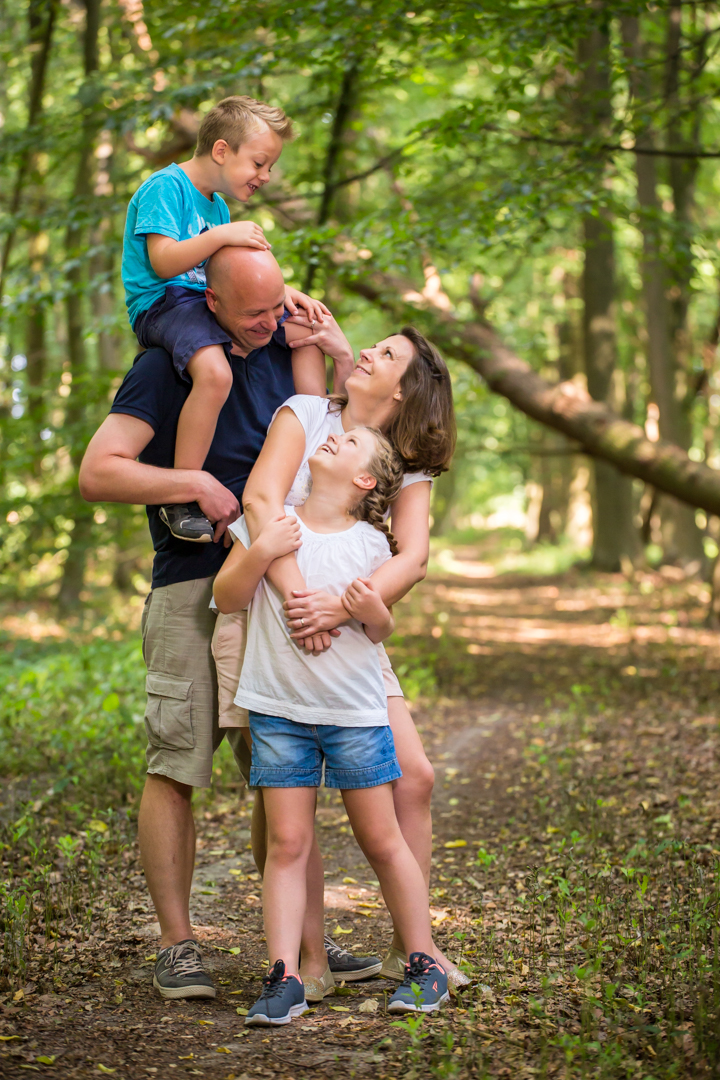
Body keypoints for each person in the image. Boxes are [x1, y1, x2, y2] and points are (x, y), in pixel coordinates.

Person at [79, 246, 360, 1001]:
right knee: (177, 762)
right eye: (254, 313)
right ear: (208, 302)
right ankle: (177, 945)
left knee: (282, 771)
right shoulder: (167, 367)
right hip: (189, 586)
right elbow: (97, 471)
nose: (271, 323)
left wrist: (334, 348)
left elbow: (356, 438)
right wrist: (191, 480)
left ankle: (300, 939)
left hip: (273, 585)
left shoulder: (282, 352)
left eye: (278, 307)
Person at [212, 322, 464, 991]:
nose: (365, 354)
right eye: (371, 346)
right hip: (277, 613)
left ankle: (414, 950)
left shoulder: (398, 463)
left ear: (407, 390)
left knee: (414, 776)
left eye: (385, 354)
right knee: (288, 803)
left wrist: (342, 609)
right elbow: (262, 500)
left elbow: (412, 557)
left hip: (348, 629)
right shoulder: (309, 415)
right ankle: (309, 962)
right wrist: (303, 603)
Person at [121, 95, 328, 543]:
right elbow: (163, 262)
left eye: (269, 166)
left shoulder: (216, 205)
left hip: (201, 299)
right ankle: (181, 496)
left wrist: (286, 296)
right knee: (215, 373)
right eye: (259, 163)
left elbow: (227, 278)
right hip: (163, 303)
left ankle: (314, 456)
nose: (265, 176)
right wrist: (222, 235)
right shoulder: (166, 188)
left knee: (299, 329)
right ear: (220, 150)